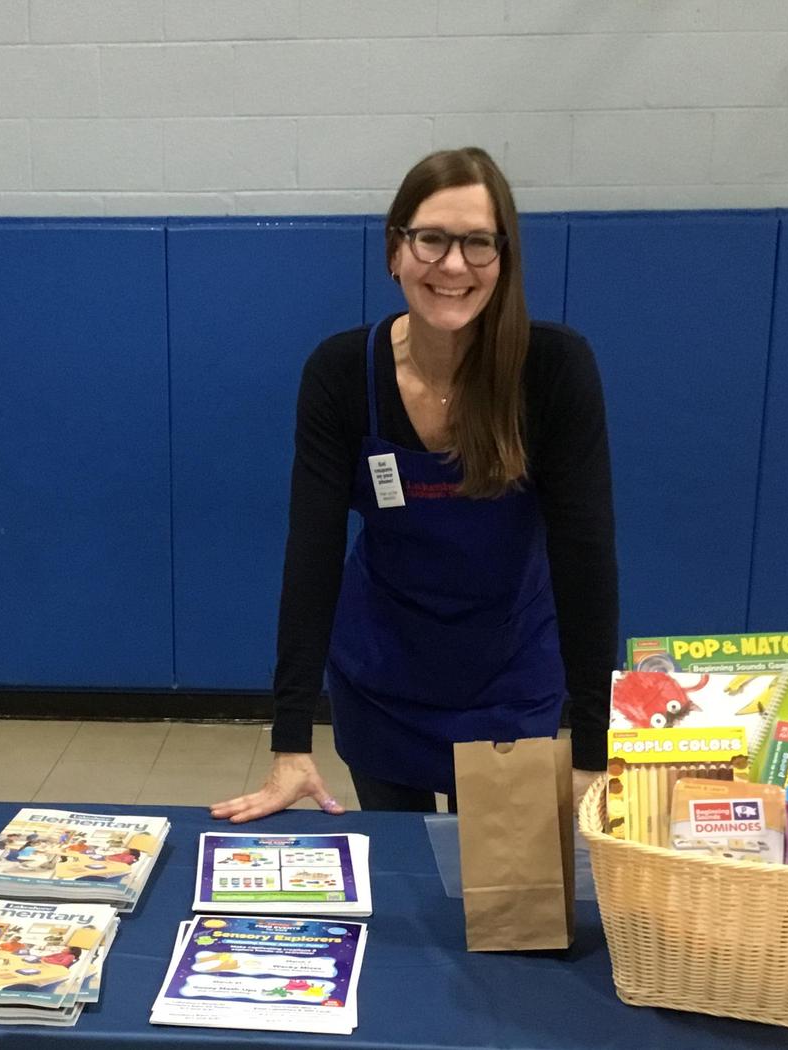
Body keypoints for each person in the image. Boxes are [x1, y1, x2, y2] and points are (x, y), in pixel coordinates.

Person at [210, 147, 618, 822]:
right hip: (382, 681)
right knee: (399, 881)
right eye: (432, 239)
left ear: (504, 258)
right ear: (394, 250)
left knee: (499, 908)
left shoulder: (553, 371)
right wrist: (289, 742)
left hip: (508, 684)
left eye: (478, 243)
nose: (453, 265)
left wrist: (593, 754)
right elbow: (311, 555)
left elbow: (587, 561)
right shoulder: (342, 372)